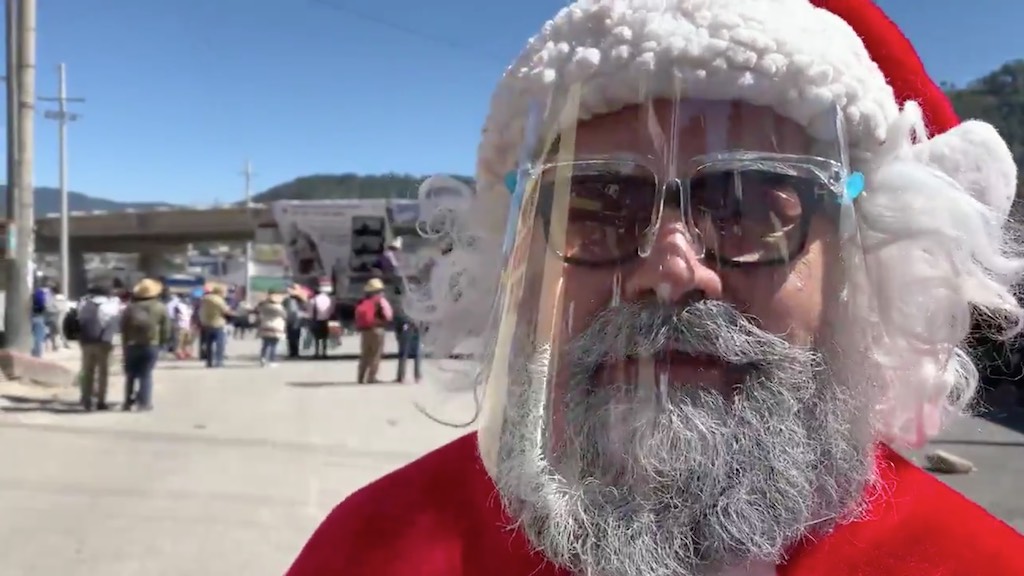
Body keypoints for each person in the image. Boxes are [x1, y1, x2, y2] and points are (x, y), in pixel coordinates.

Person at [285, 1, 1024, 575]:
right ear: (517, 266)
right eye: (599, 210)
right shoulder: (370, 550)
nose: (670, 271)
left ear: (864, 268)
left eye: (752, 209)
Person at [121, 278, 170, 411]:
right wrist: (164, 343)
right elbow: (166, 328)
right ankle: (144, 403)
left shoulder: (130, 307)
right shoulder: (160, 307)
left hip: (132, 344)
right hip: (150, 344)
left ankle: (127, 401)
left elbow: (123, 327)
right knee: (146, 375)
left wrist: (124, 344)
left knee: (130, 375)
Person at [76, 283, 121, 411]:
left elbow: (78, 320)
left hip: (86, 341)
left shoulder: (84, 304)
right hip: (104, 343)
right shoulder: (111, 306)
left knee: (86, 371)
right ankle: (101, 401)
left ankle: (86, 398)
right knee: (103, 373)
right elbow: (115, 324)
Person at [354, 278, 392, 384]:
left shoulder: (362, 301)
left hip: (365, 331)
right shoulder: (380, 300)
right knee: (376, 354)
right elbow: (388, 315)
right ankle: (371, 378)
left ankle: (360, 378)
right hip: (377, 329)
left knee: (365, 354)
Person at [199, 284, 232, 368]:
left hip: (206, 324)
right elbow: (226, 311)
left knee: (209, 345)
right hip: (218, 324)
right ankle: (219, 361)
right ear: (220, 292)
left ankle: (209, 362)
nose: (226, 294)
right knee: (220, 344)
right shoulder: (219, 300)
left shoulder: (204, 299)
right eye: (225, 292)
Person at [256, 291, 287, 367]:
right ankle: (272, 360)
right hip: (276, 326)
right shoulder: (279, 307)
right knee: (273, 344)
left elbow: (258, 312)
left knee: (265, 344)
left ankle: (263, 358)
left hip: (265, 325)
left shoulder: (263, 306)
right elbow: (284, 315)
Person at [309, 280, 335, 359]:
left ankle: (317, 353)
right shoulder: (329, 299)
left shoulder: (313, 300)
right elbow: (331, 310)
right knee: (324, 338)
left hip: (316, 320)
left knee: (317, 338)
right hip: (326, 320)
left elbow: (310, 311)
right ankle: (324, 353)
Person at [283, 285, 307, 359]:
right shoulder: (286, 299)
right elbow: (283, 307)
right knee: (290, 337)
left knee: (296, 337)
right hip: (289, 319)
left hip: (297, 320)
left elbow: (305, 305)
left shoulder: (300, 298)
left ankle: (296, 352)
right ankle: (291, 352)